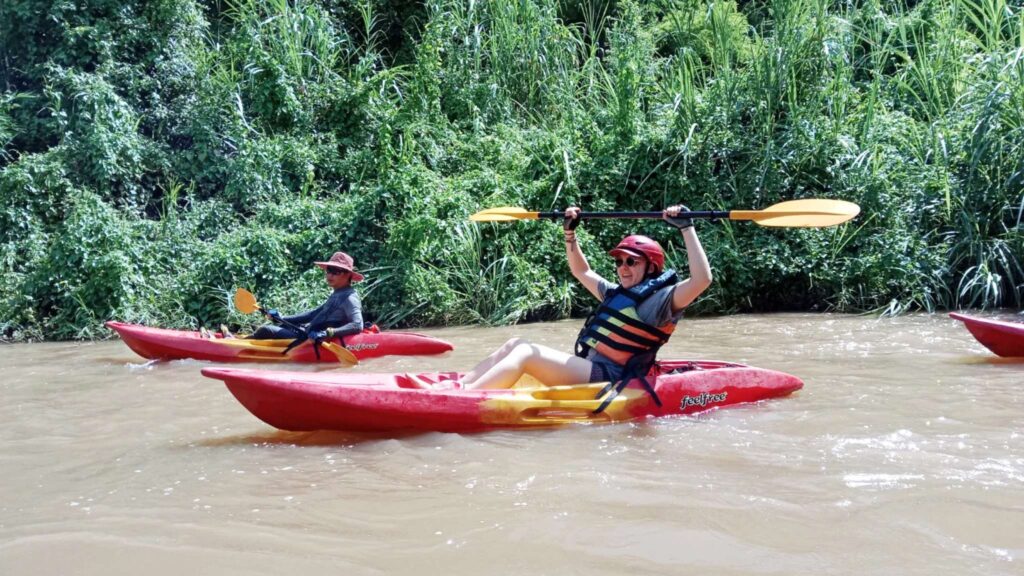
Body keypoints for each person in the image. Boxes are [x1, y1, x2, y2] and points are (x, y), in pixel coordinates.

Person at [405, 205, 712, 410]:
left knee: (526, 353)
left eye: (631, 261)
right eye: (619, 261)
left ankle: (460, 402)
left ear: (652, 267)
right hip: (594, 368)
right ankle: (462, 386)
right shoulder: (616, 293)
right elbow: (583, 272)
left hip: (611, 376)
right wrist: (570, 234)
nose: (623, 267)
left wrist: (687, 228)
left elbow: (702, 280)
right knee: (515, 343)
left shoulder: (661, 302)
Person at [247, 251, 365, 343]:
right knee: (281, 325)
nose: (330, 275)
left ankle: (238, 343)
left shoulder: (350, 298)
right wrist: (282, 318)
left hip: (312, 337)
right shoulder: (337, 293)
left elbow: (357, 325)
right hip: (306, 331)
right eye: (329, 270)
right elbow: (312, 314)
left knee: (266, 330)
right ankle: (241, 340)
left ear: (348, 275)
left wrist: (328, 333)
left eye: (336, 271)